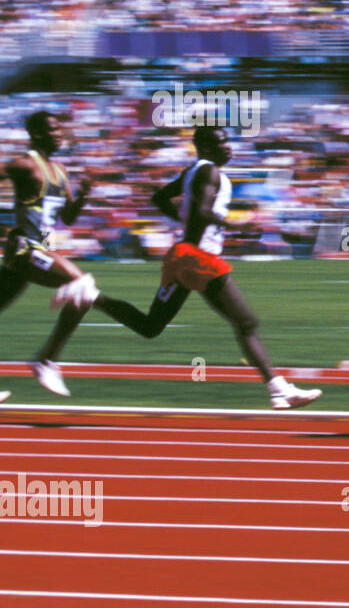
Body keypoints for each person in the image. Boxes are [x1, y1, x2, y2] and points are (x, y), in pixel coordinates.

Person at [75, 126, 322, 409]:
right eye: (221, 143)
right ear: (204, 148)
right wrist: (236, 224)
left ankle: (91, 297)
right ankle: (279, 390)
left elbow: (160, 199)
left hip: (184, 257)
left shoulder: (194, 172)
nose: (228, 147)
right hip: (198, 258)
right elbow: (203, 211)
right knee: (246, 322)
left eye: (228, 141)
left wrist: (188, 220)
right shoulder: (209, 172)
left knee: (150, 326)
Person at [0, 110, 100, 396]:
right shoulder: (24, 165)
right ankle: (46, 361)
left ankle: (46, 359)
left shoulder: (59, 170)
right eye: (55, 130)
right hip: (25, 249)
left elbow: (66, 217)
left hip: (42, 249)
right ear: (40, 134)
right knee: (83, 286)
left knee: (83, 293)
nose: (61, 134)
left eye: (60, 129)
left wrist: (82, 196)